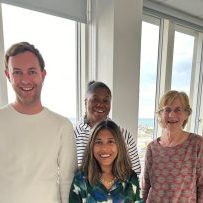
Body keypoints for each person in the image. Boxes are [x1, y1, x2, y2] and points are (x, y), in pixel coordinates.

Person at [0, 42, 76, 203]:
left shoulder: (62, 126)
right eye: (18, 72)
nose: (25, 80)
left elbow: (67, 183)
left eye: (32, 71)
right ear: (8, 75)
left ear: (43, 75)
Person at [142, 90, 203, 202]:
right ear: (161, 114)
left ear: (186, 114)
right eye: (167, 110)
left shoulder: (197, 144)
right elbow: (146, 185)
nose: (172, 115)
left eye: (178, 110)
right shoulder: (152, 147)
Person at [75, 81, 141, 175]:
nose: (100, 104)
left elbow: (135, 171)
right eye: (95, 99)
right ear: (86, 102)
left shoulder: (124, 135)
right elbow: (68, 174)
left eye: (106, 100)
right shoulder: (73, 135)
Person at [69, 119, 142, 202]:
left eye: (110, 141)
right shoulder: (80, 178)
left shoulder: (131, 178)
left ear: (119, 145)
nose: (104, 148)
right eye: (99, 142)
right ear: (91, 146)